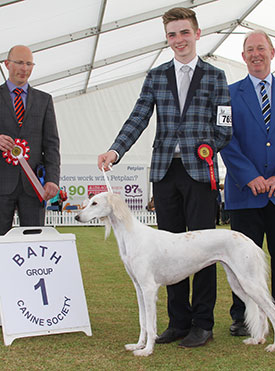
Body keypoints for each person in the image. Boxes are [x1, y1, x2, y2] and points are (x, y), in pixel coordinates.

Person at [98, 7, 232, 348]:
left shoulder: (215, 76)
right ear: (167, 38)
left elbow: (225, 126)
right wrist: (115, 151)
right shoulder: (156, 76)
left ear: (197, 33)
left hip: (200, 172)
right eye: (172, 34)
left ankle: (202, 323)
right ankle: (177, 322)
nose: (178, 40)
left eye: (184, 32)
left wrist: (206, 146)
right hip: (163, 173)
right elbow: (138, 118)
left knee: (202, 250)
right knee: (167, 252)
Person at [221, 30, 275, 336]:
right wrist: (249, 176)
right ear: (243, 57)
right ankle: (242, 316)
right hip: (245, 194)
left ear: (272, 52)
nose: (256, 54)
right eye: (249, 49)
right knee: (240, 260)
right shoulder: (227, 94)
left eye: (261, 48)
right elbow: (225, 139)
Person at [0, 45, 60, 235]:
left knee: (34, 242)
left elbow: (52, 144)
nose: (24, 68)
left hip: (34, 186)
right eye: (19, 62)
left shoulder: (44, 100)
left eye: (28, 64)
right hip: (2, 184)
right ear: (7, 64)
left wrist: (52, 179)